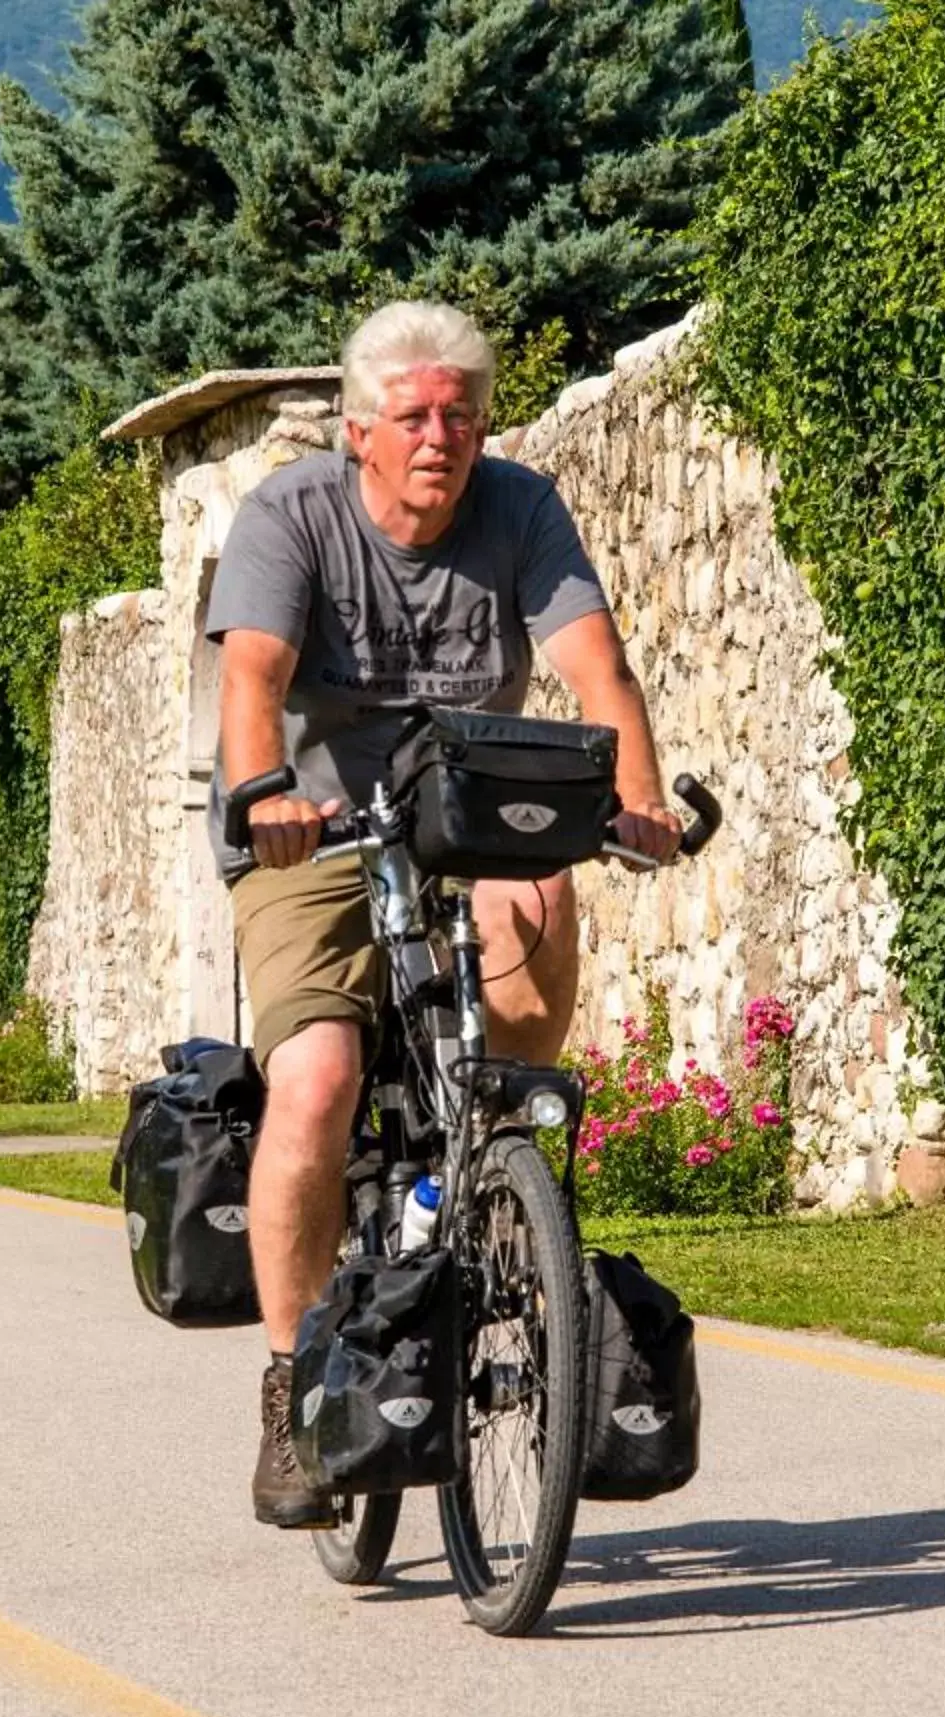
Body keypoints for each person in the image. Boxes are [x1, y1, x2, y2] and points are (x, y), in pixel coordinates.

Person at [210, 299, 682, 1528]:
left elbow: (596, 667)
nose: (440, 437)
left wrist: (635, 796)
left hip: (475, 813)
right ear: (361, 430)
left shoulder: (521, 510)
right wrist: (261, 792)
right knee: (313, 1080)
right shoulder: (292, 516)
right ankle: (293, 1378)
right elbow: (252, 671)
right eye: (414, 417)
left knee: (538, 902)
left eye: (461, 417)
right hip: (315, 829)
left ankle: (487, 1177)